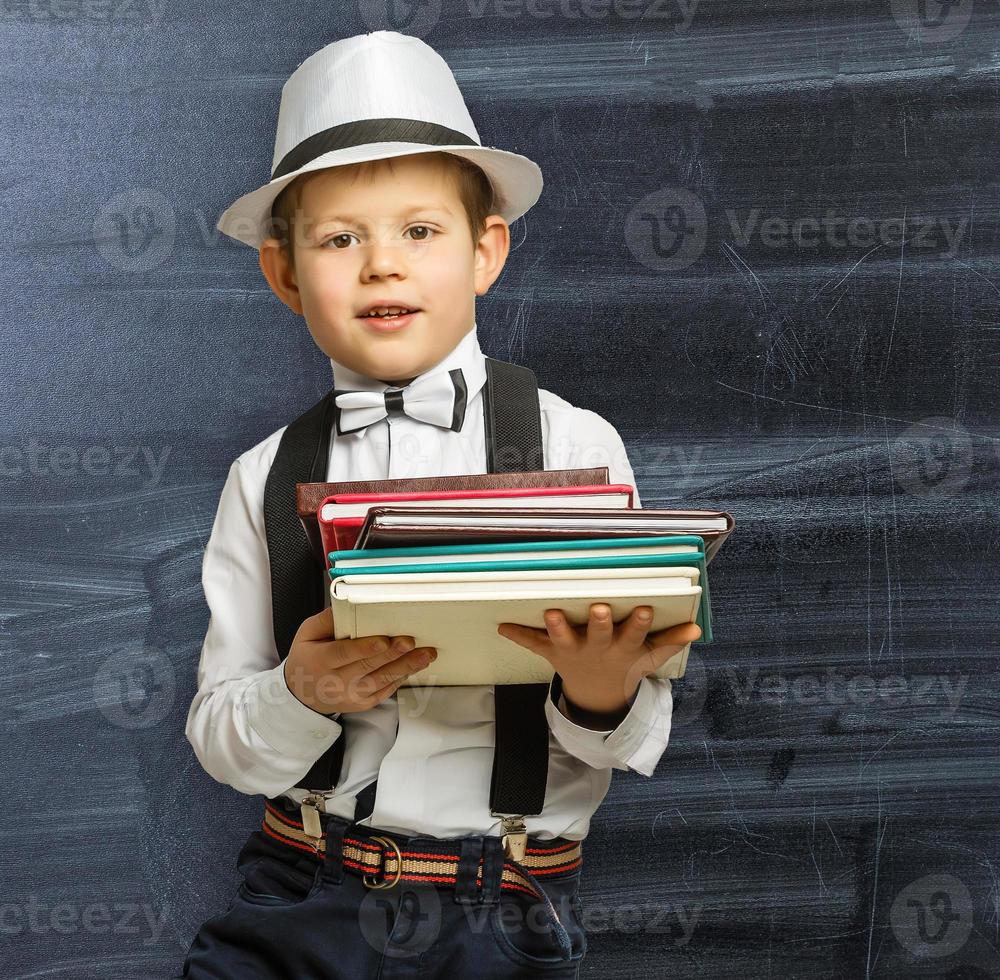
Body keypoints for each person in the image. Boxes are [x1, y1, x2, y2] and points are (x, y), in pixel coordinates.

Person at [178, 29, 699, 978]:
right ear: (285, 273)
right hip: (300, 888)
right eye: (341, 238)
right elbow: (221, 738)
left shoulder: (575, 448)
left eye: (420, 231)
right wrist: (300, 695)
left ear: (485, 251)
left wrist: (600, 687)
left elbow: (632, 736)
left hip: (500, 908)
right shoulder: (261, 474)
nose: (383, 265)